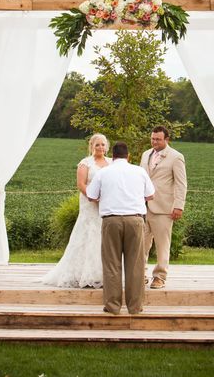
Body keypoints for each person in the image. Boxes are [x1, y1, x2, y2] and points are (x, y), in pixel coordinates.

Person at [86, 141, 154, 315]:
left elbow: (91, 196)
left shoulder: (103, 173)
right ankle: (135, 306)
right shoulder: (139, 171)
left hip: (111, 220)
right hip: (135, 220)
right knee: (136, 265)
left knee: (111, 264)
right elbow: (150, 194)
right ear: (128, 156)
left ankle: (113, 306)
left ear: (113, 156)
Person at [43, 134, 111, 288]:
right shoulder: (85, 163)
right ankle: (83, 274)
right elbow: (81, 184)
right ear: (92, 146)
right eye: (97, 145)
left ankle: (104, 273)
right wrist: (94, 197)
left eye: (103, 144)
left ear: (107, 146)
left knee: (104, 237)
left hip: (106, 206)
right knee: (88, 235)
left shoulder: (111, 163)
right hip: (90, 204)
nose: (100, 148)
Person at [140, 125, 187, 289]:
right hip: (143, 207)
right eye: (152, 138)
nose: (154, 142)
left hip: (164, 207)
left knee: (162, 244)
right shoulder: (145, 154)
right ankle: (140, 275)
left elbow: (181, 184)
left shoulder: (176, 157)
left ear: (166, 139)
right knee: (141, 244)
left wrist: (178, 206)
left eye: (158, 139)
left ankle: (160, 276)